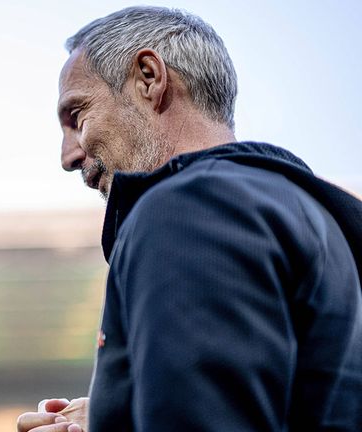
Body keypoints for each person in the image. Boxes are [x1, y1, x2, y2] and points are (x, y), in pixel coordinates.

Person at [18, 6, 362, 432]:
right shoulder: (309, 217)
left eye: (77, 116)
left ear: (150, 77)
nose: (68, 157)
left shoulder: (185, 207)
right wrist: (120, 414)